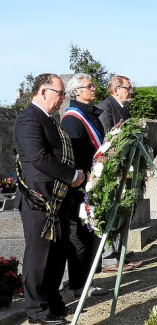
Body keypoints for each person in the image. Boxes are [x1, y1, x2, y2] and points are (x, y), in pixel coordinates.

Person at [14, 73, 85, 325]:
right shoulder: (28, 120)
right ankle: (36, 311)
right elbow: (39, 158)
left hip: (58, 198)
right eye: (60, 93)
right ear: (44, 91)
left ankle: (53, 302)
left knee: (57, 253)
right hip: (39, 199)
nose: (62, 99)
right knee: (39, 255)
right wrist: (72, 175)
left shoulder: (50, 120)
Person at [60, 73, 108, 298]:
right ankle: (79, 285)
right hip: (79, 189)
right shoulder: (72, 119)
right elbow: (74, 155)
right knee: (79, 237)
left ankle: (87, 280)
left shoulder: (90, 115)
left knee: (89, 236)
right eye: (89, 86)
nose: (94, 88)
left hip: (92, 184)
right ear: (76, 92)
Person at [96, 75, 140, 272]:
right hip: (112, 171)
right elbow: (106, 139)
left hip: (124, 169)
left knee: (122, 210)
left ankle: (118, 252)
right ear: (115, 89)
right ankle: (108, 258)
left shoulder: (123, 108)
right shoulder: (106, 107)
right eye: (127, 88)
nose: (130, 91)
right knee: (110, 211)